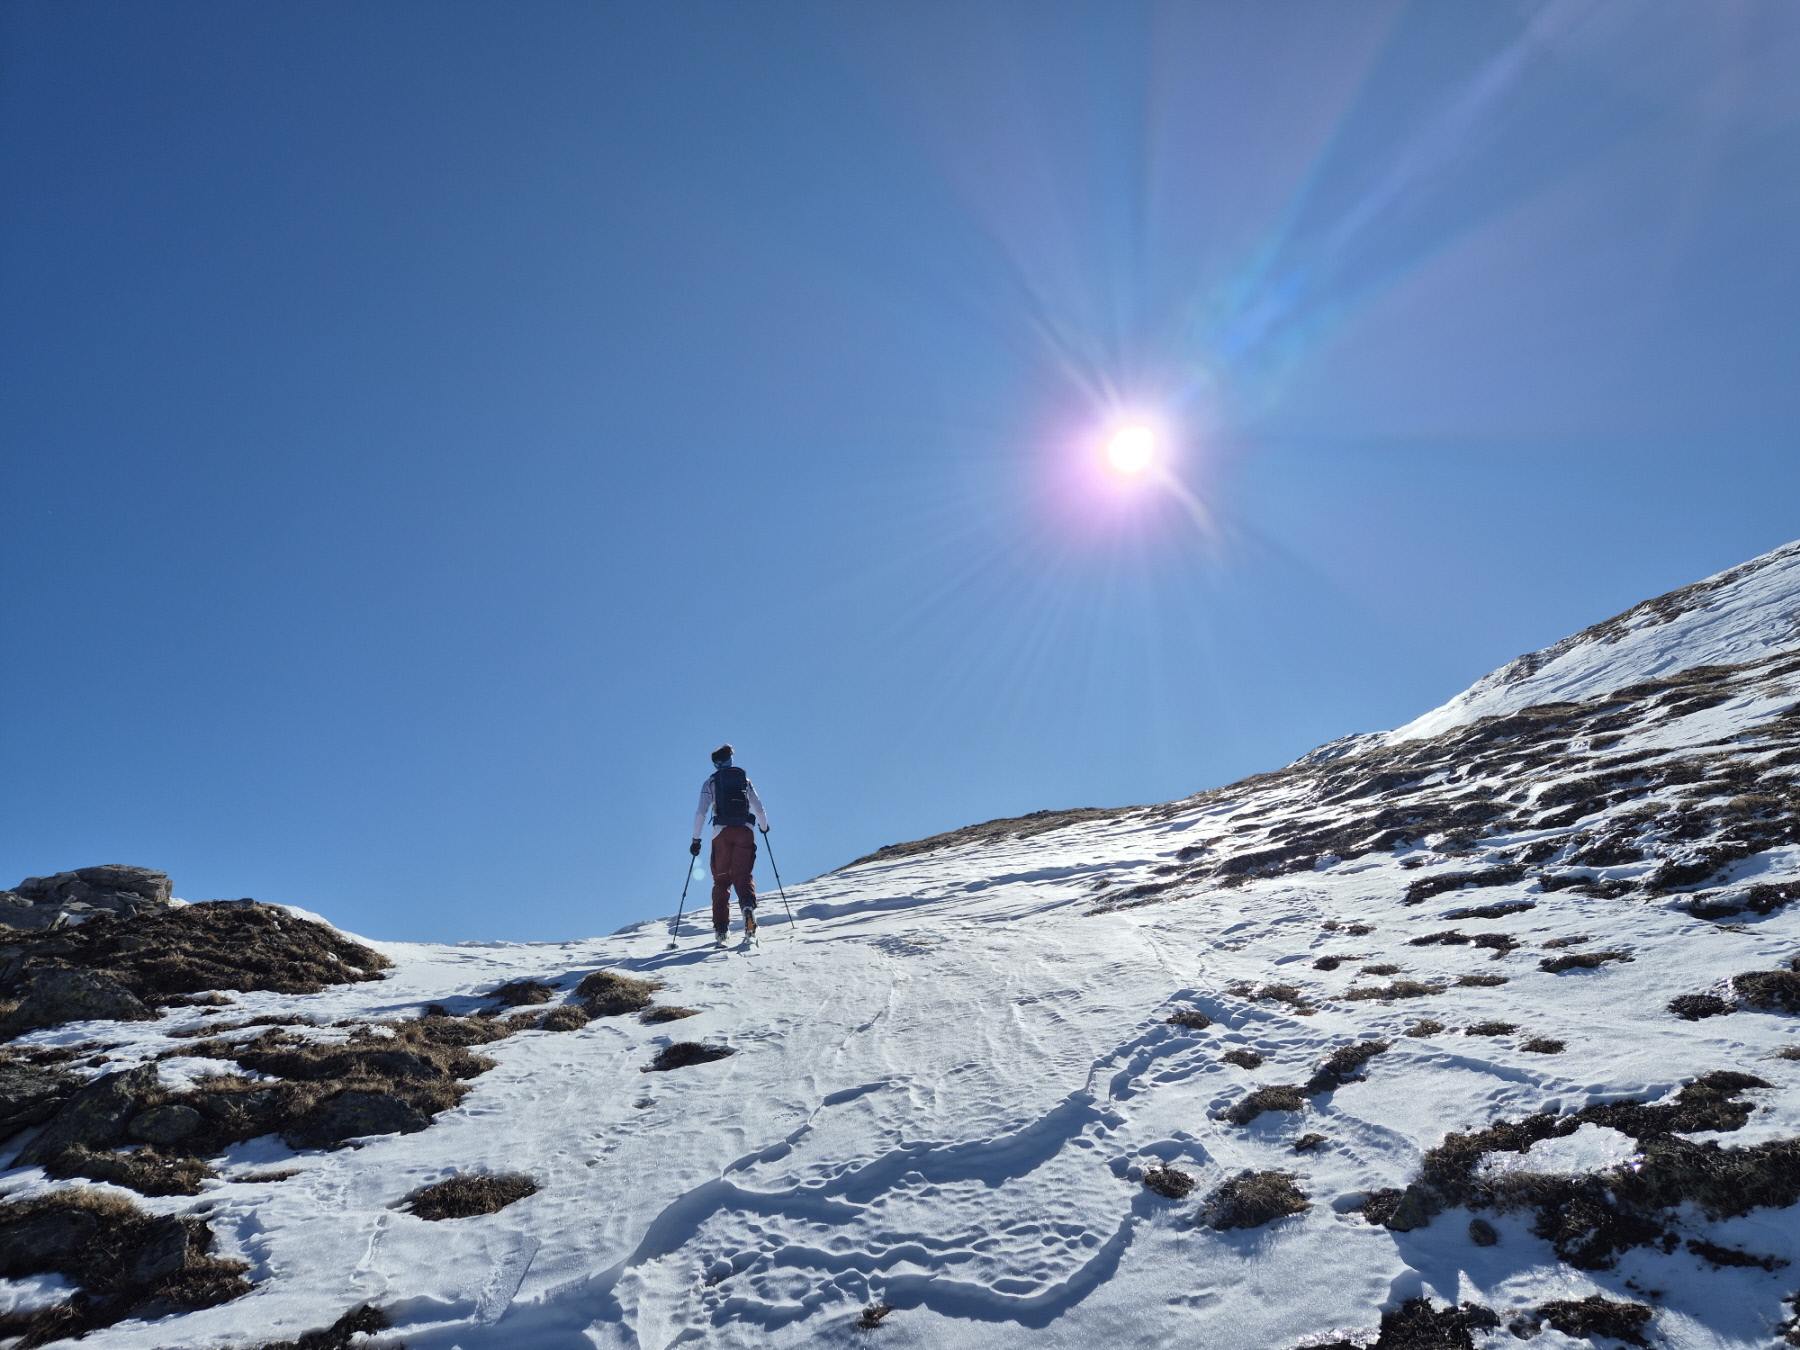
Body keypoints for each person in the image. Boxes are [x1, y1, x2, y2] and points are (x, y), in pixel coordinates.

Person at [690, 744, 769, 946]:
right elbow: (758, 807)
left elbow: (700, 813)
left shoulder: (711, 782)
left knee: (722, 881)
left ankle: (721, 930)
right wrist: (764, 827)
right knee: (743, 875)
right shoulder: (744, 780)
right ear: (730, 760)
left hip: (721, 833)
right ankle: (748, 908)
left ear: (716, 764)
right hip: (745, 830)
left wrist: (696, 840)